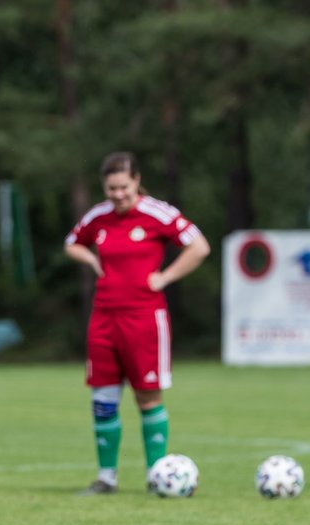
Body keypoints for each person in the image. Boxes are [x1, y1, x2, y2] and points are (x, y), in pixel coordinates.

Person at [64, 151, 210, 494]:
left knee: (147, 398)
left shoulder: (158, 213)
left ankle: (157, 474)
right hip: (104, 318)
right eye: (111, 188)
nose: (117, 195)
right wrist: (90, 257)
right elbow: (72, 243)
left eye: (124, 187)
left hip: (144, 318)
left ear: (137, 181)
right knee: (103, 400)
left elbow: (199, 246)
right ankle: (106, 478)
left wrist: (165, 277)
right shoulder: (98, 217)